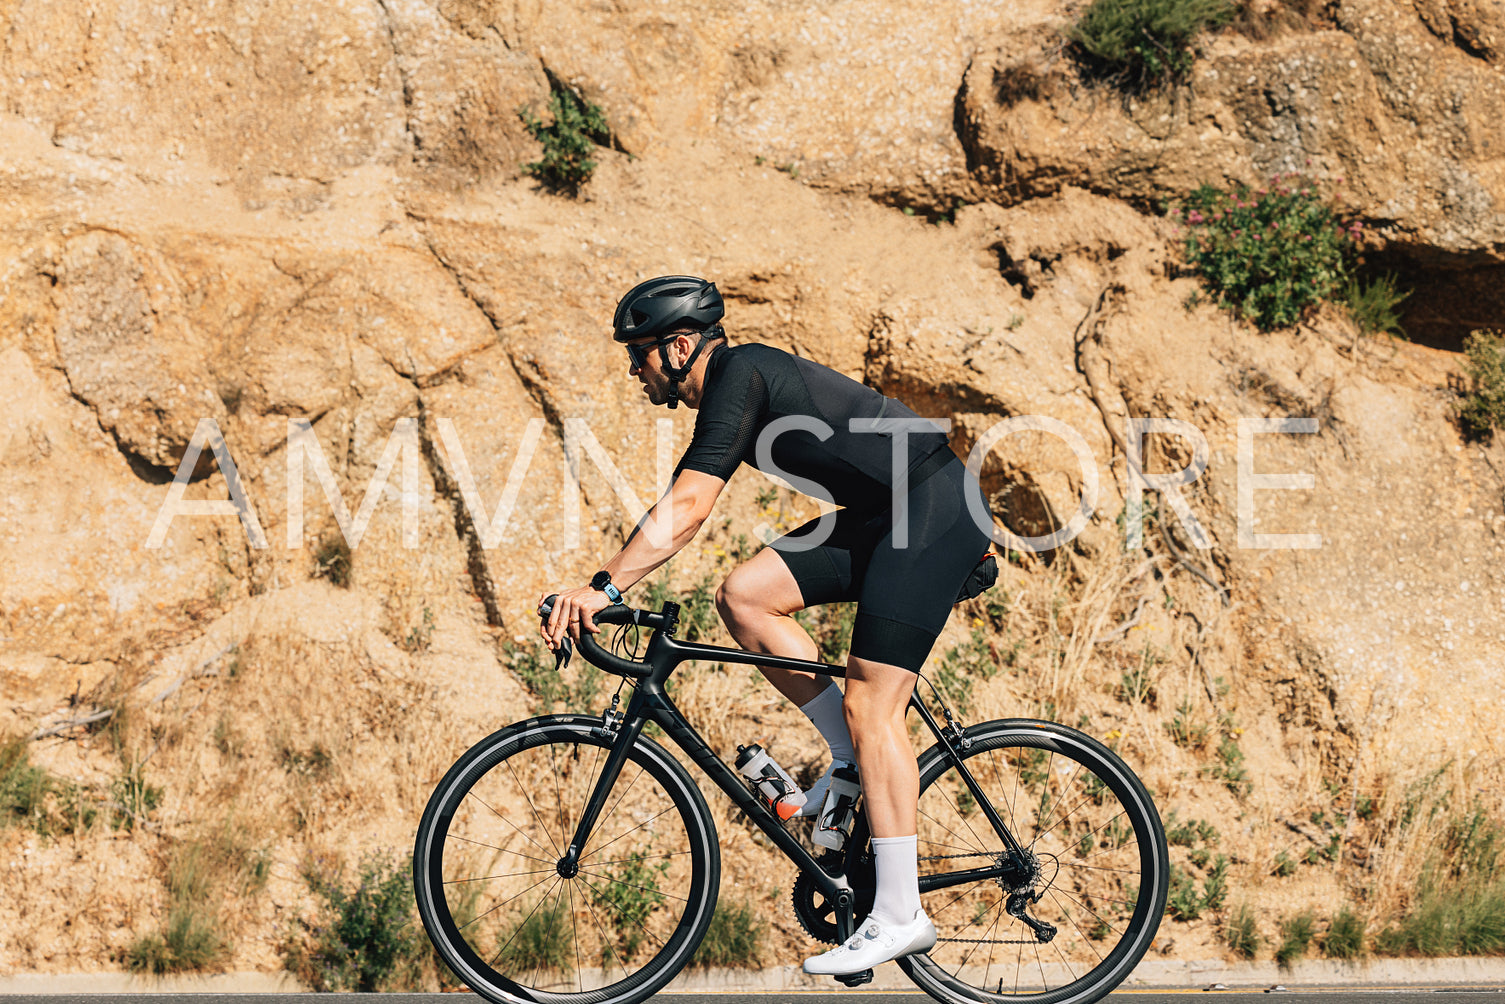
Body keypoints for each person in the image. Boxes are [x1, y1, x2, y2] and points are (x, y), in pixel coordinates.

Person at [539, 275, 992, 976]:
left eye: (640, 354)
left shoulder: (738, 374)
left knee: (873, 705)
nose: (635, 369)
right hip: (887, 515)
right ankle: (850, 762)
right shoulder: (735, 383)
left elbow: (688, 506)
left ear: (680, 345)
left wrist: (602, 587)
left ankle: (900, 912)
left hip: (933, 510)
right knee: (745, 595)